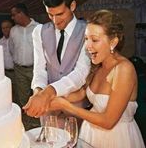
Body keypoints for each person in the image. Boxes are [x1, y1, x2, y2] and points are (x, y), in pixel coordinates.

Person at [49, 10, 145, 148]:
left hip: (117, 139)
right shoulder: (98, 65)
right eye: (86, 39)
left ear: (113, 42)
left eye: (94, 40)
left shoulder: (124, 69)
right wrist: (52, 97)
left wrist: (65, 106)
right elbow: (82, 94)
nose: (88, 46)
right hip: (90, 135)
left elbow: (108, 121)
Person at [23, 0, 90, 126]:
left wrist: (49, 92)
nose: (55, 21)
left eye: (60, 14)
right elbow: (40, 69)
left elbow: (81, 72)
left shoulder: (88, 31)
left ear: (72, 6)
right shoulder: (39, 31)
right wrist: (38, 93)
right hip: (48, 109)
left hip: (76, 108)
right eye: (50, 15)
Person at [9, 3, 39, 130]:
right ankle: (27, 123)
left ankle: (38, 123)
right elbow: (11, 49)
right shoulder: (13, 30)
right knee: (23, 97)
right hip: (19, 69)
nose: (12, 18)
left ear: (21, 14)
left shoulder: (39, 28)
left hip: (36, 69)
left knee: (37, 96)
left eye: (14, 15)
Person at [0, 20, 17, 103]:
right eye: (3, 28)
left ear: (12, 28)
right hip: (5, 72)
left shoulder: (16, 39)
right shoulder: (0, 42)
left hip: (16, 71)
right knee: (8, 93)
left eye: (7, 27)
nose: (5, 30)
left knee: (18, 92)